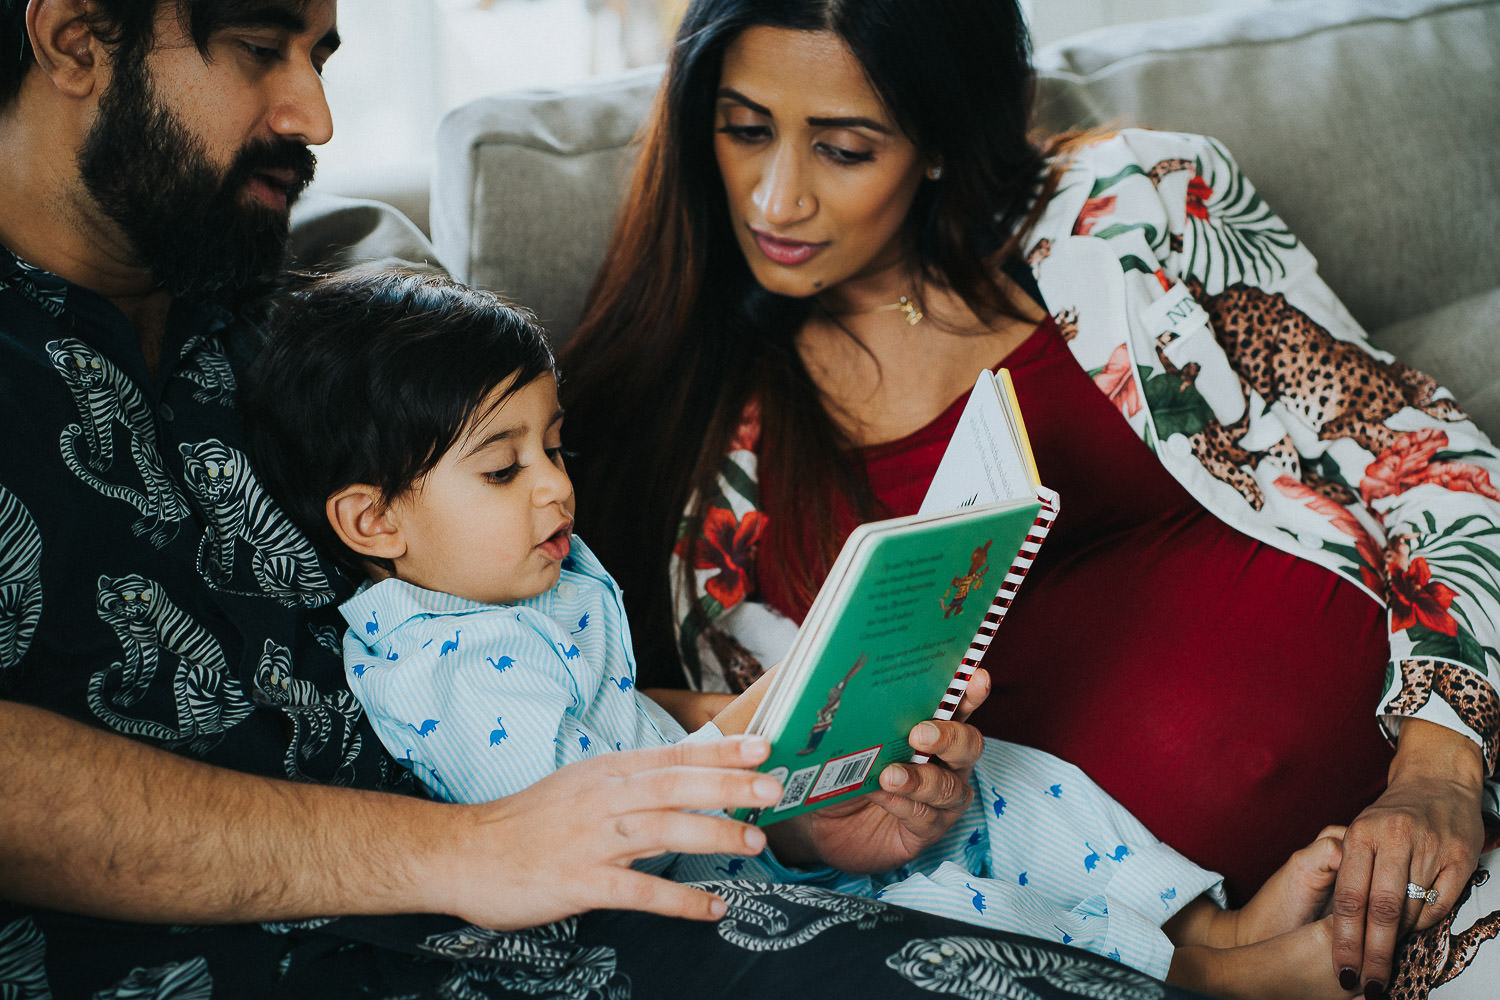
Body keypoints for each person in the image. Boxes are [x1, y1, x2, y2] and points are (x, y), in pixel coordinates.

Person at [0, 2, 1207, 997]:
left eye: (320, 58)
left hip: (563, 892)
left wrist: (795, 777)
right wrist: (472, 849)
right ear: (72, 37)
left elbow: (557, 676)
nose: (313, 115)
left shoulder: (286, 310)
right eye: (260, 48)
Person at [557, 0, 1500, 996]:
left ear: (938, 141)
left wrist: (1441, 768)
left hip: (1439, 819)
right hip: (1115, 955)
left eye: (841, 148)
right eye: (745, 129)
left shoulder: (1126, 210)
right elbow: (720, 788)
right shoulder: (686, 453)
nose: (775, 197)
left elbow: (1429, 461)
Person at [242, 265, 1382, 997]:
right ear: (373, 519)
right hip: (695, 902)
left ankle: (1207, 924)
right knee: (947, 902)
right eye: (504, 467)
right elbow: (600, 831)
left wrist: (838, 698)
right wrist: (778, 711)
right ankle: (1206, 979)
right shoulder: (442, 668)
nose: (554, 491)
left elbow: (648, 709)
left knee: (1006, 781)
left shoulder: (520, 574)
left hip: (748, 825)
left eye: (554, 448)